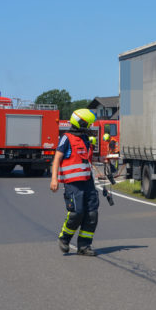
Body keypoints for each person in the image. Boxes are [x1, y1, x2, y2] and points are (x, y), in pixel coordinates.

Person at [50, 108, 100, 255]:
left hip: (87, 182)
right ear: (81, 123)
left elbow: (86, 160)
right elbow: (57, 158)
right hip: (72, 183)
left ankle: (84, 246)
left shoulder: (85, 138)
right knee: (77, 213)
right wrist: (54, 179)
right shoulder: (66, 138)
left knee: (92, 214)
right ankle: (64, 238)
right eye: (88, 124)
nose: (90, 127)